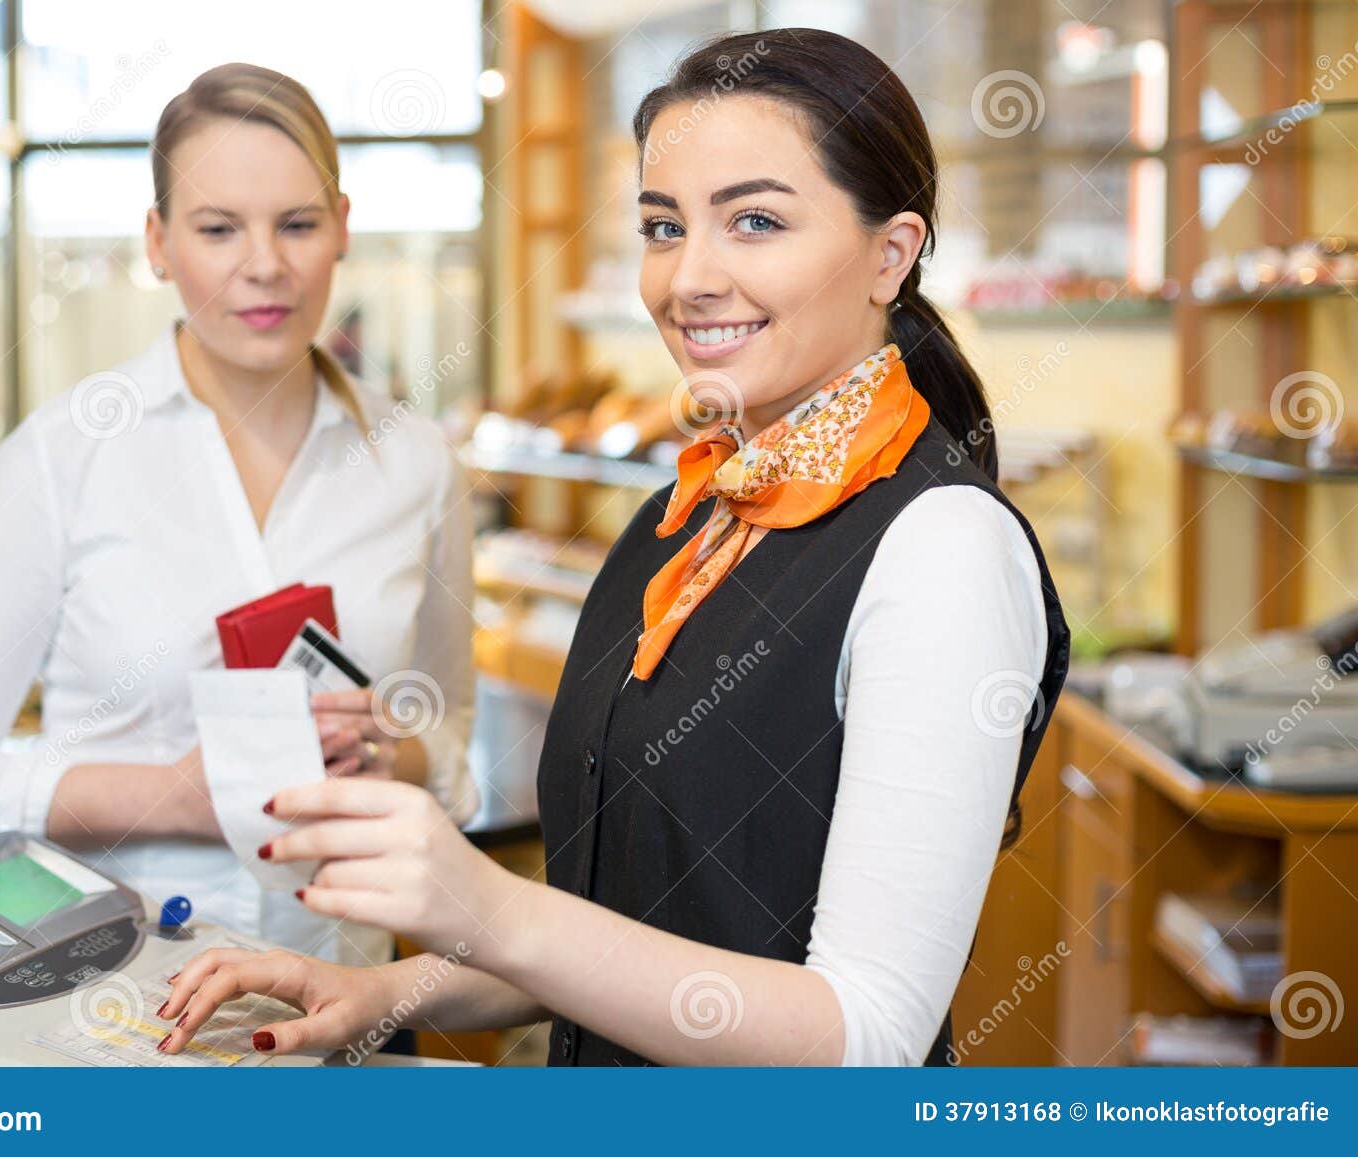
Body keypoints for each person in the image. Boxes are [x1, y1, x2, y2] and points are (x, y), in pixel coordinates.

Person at [157, 29, 1071, 1065]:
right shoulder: (680, 518)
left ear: (890, 254)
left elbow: (864, 1036)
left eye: (756, 221)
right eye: (661, 226)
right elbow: (615, 924)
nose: (689, 277)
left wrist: (493, 907)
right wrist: (372, 990)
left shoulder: (941, 545)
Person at [0, 63, 477, 968]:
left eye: (298, 224)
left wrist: (397, 760)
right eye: (217, 228)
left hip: (343, 994)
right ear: (159, 243)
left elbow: (449, 735)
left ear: (343, 229)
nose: (265, 265)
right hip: (107, 1000)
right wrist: (172, 795)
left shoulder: (415, 461)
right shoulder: (62, 457)